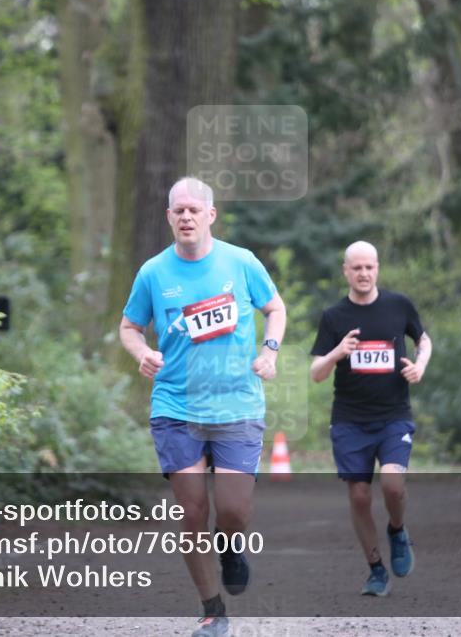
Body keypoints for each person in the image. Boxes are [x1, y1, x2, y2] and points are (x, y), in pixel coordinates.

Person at [119, 177, 286, 637]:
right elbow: (130, 326)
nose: (187, 217)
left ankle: (230, 546)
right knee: (192, 513)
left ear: (211, 215)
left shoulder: (241, 262)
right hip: (175, 406)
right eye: (179, 211)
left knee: (233, 510)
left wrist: (269, 351)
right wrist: (142, 352)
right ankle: (213, 611)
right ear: (169, 217)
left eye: (195, 210)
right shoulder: (153, 272)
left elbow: (275, 308)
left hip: (237, 405)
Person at [309, 241, 432, 597]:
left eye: (369, 267)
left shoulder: (398, 305)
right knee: (360, 496)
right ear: (345, 271)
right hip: (350, 419)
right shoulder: (334, 316)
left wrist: (420, 365)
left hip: (394, 416)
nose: (363, 273)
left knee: (393, 485)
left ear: (377, 268)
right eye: (357, 268)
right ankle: (376, 569)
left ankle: (397, 529)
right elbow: (316, 373)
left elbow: (424, 341)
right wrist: (337, 352)